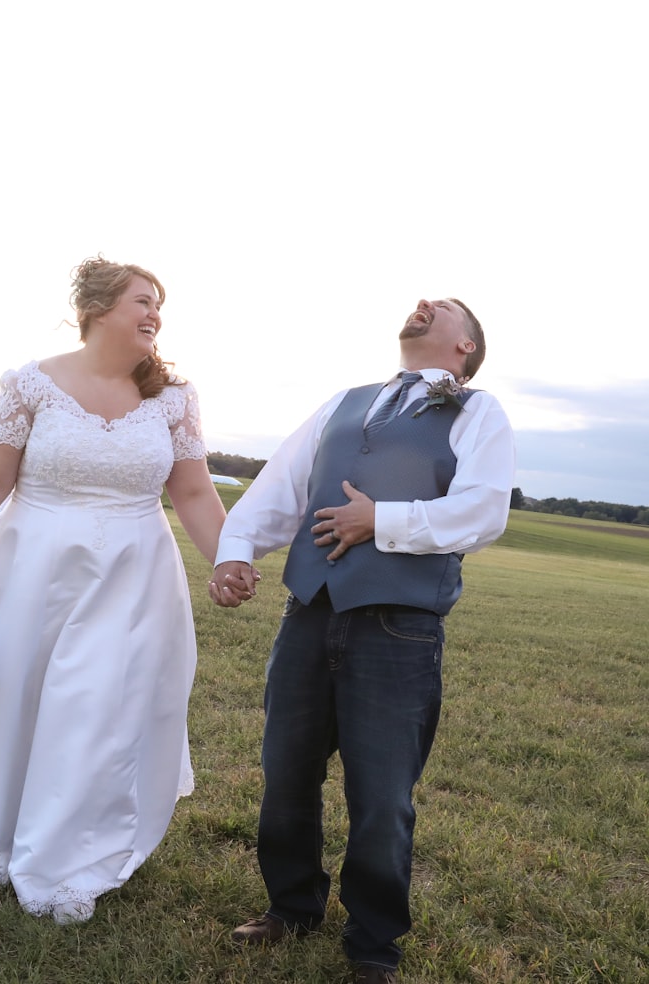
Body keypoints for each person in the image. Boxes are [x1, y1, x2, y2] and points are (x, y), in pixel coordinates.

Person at [0, 257, 228, 925]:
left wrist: (229, 560)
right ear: (98, 309)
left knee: (97, 708)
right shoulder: (30, 386)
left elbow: (191, 490)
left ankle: (67, 856)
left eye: (159, 304)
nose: (155, 313)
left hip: (133, 581)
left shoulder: (174, 399)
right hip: (30, 575)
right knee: (19, 701)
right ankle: (13, 824)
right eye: (143, 300)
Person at [209, 298, 515, 983]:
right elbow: (282, 487)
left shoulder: (477, 412)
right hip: (308, 614)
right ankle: (291, 907)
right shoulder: (343, 403)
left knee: (382, 797)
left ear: (465, 346)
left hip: (398, 628)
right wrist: (236, 550)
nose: (422, 306)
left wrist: (382, 520)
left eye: (444, 310)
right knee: (286, 775)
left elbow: (484, 510)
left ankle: (374, 944)